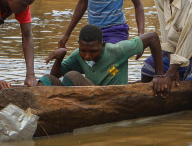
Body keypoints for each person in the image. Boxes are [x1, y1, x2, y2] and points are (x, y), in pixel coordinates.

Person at [40, 25, 169, 94]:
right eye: (83, 50)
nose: (87, 56)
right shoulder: (77, 55)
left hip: (111, 95)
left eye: (93, 51)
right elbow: (55, 76)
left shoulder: (118, 50)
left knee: (72, 76)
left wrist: (159, 75)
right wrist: (60, 56)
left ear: (102, 45)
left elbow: (153, 37)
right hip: (91, 94)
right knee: (46, 79)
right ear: (79, 44)